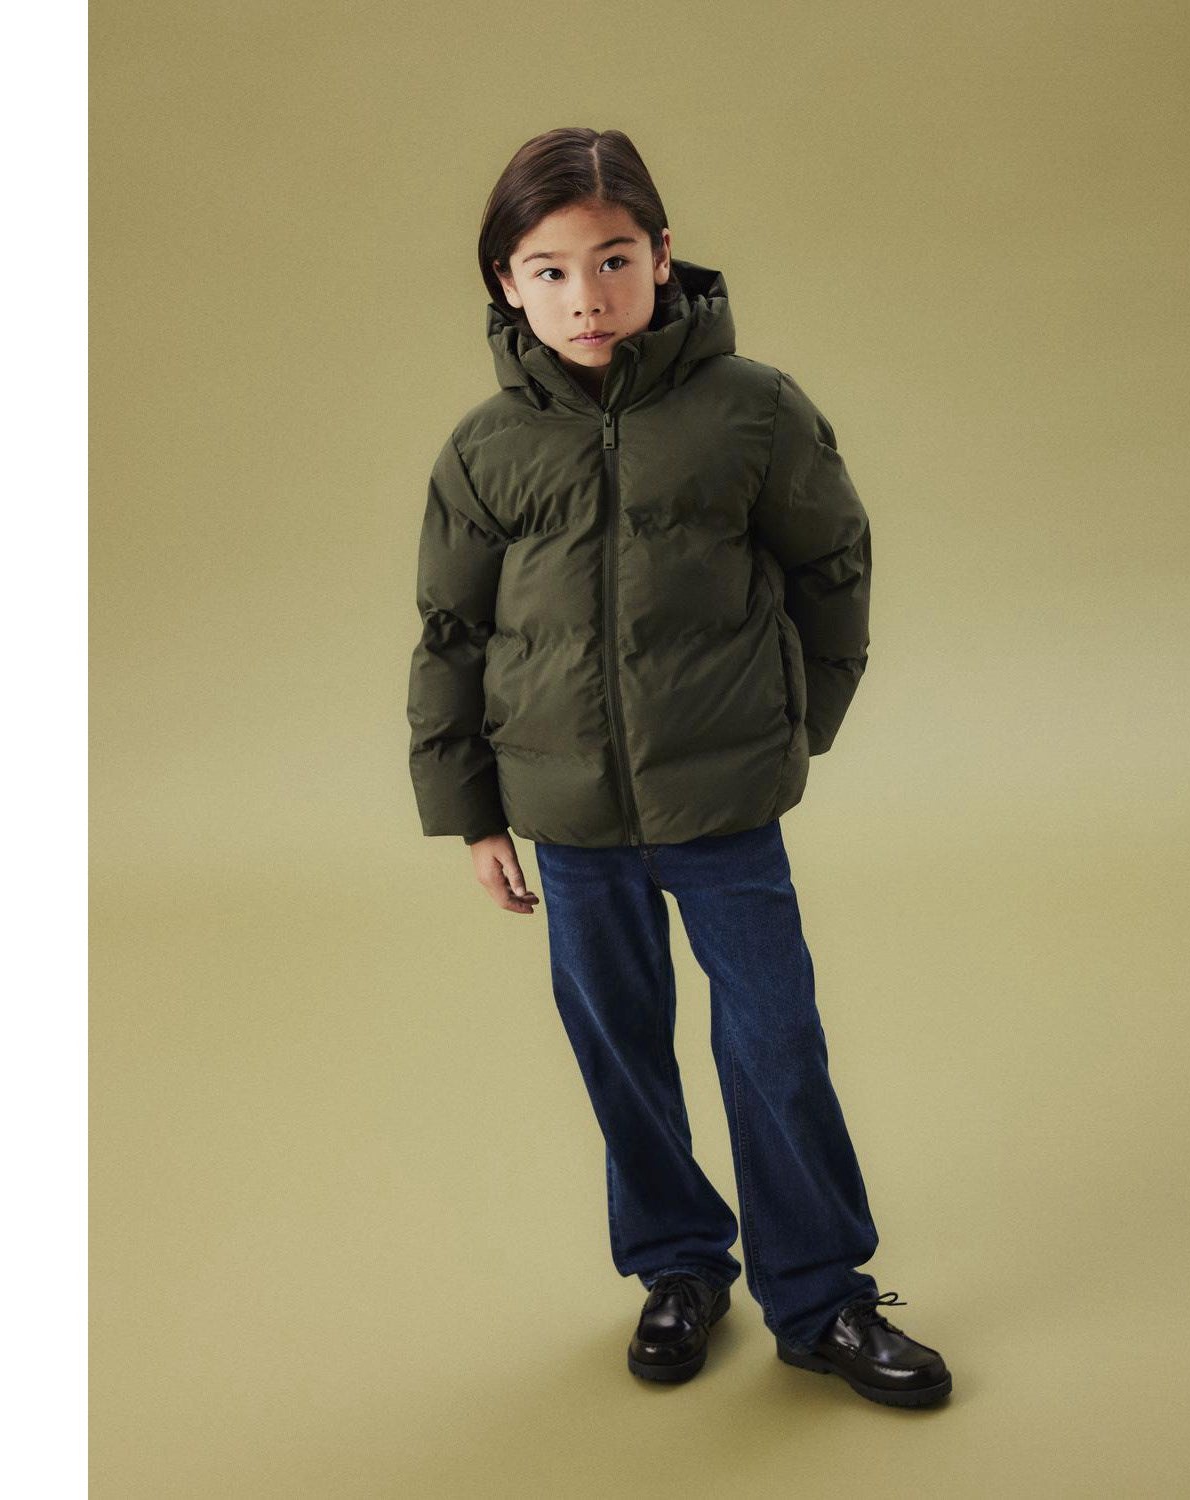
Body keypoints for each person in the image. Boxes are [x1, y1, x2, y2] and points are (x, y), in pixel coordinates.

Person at [406, 126, 952, 1409]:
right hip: (569, 820)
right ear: (505, 284)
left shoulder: (752, 411)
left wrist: (795, 723)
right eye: (548, 271)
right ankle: (678, 1268)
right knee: (621, 1052)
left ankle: (820, 1298)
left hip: (722, 808)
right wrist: (472, 814)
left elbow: (833, 565)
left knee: (776, 1043)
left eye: (612, 259)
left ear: (663, 254)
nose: (586, 297)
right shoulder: (486, 449)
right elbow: (451, 633)